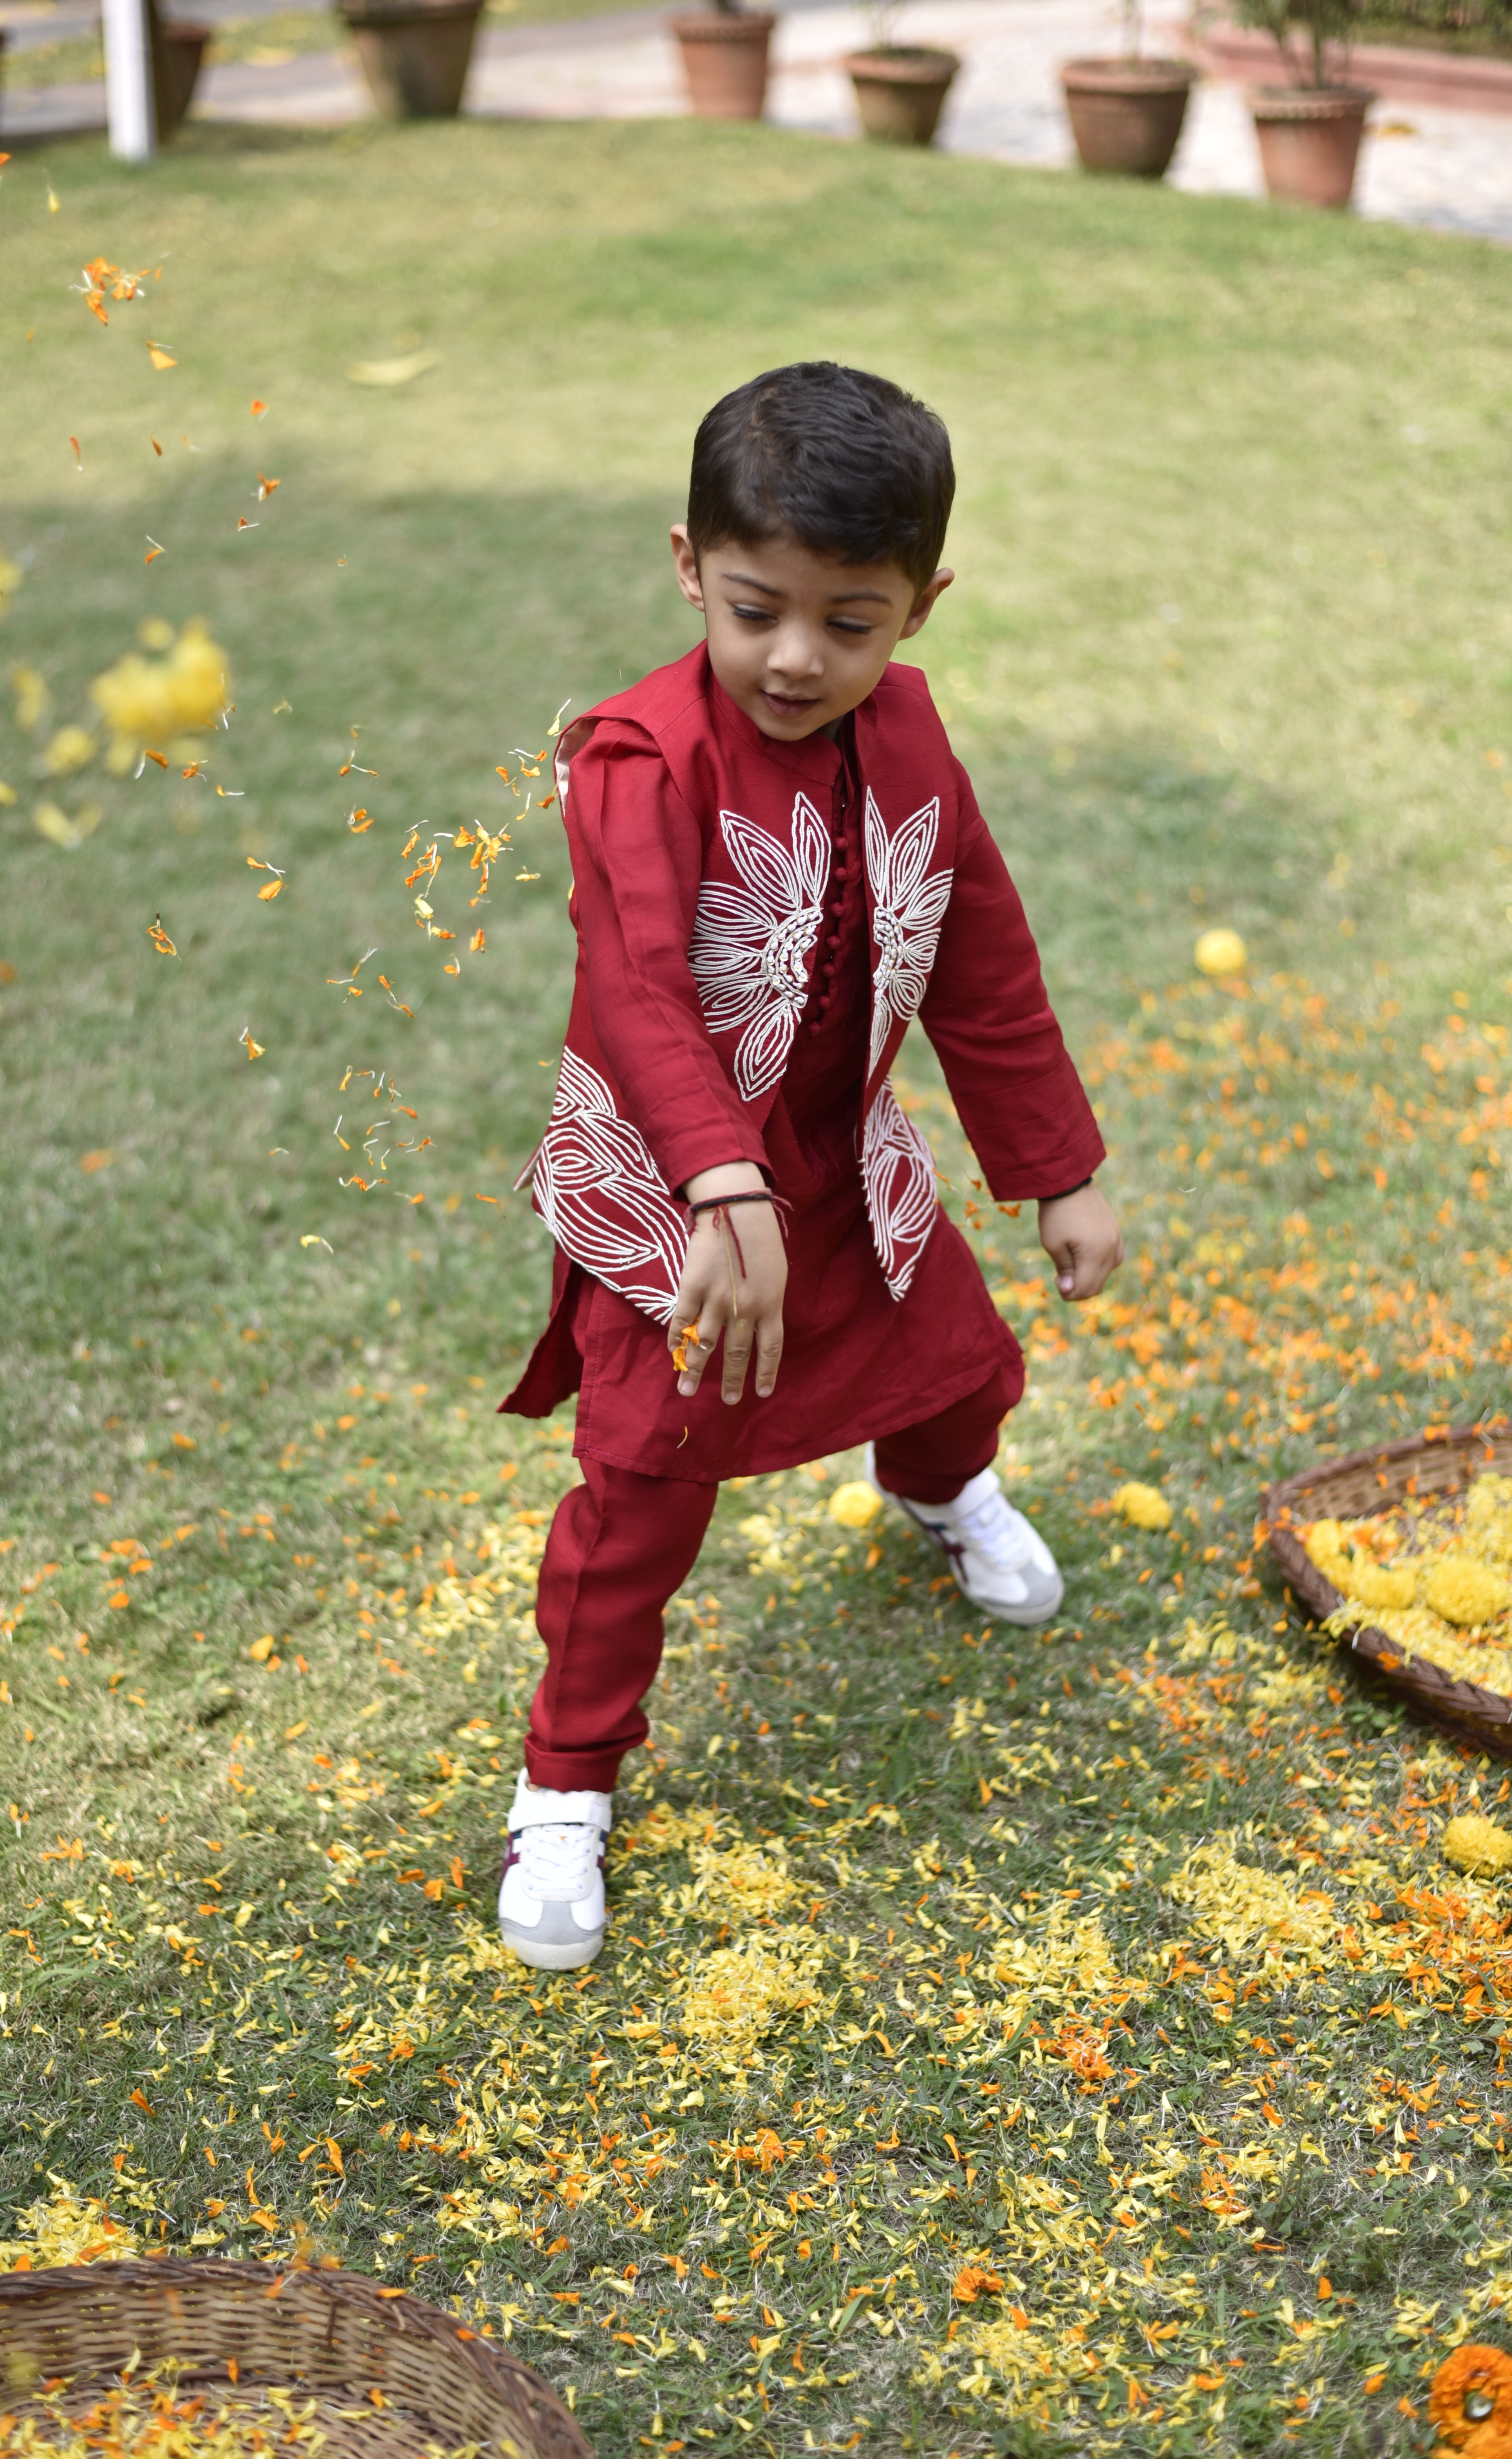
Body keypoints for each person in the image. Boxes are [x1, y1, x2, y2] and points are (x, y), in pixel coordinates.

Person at [494, 361, 1124, 1971]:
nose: (796, 657)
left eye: (848, 622)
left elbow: (979, 949)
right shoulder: (635, 760)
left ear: (918, 608)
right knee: (643, 1488)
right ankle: (564, 1784)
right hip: (680, 1190)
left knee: (952, 1367)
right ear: (686, 567)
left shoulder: (907, 734)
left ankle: (937, 1493)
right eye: (755, 607)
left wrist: (1055, 1168)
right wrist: (718, 1185)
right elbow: (634, 989)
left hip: (842, 1155)